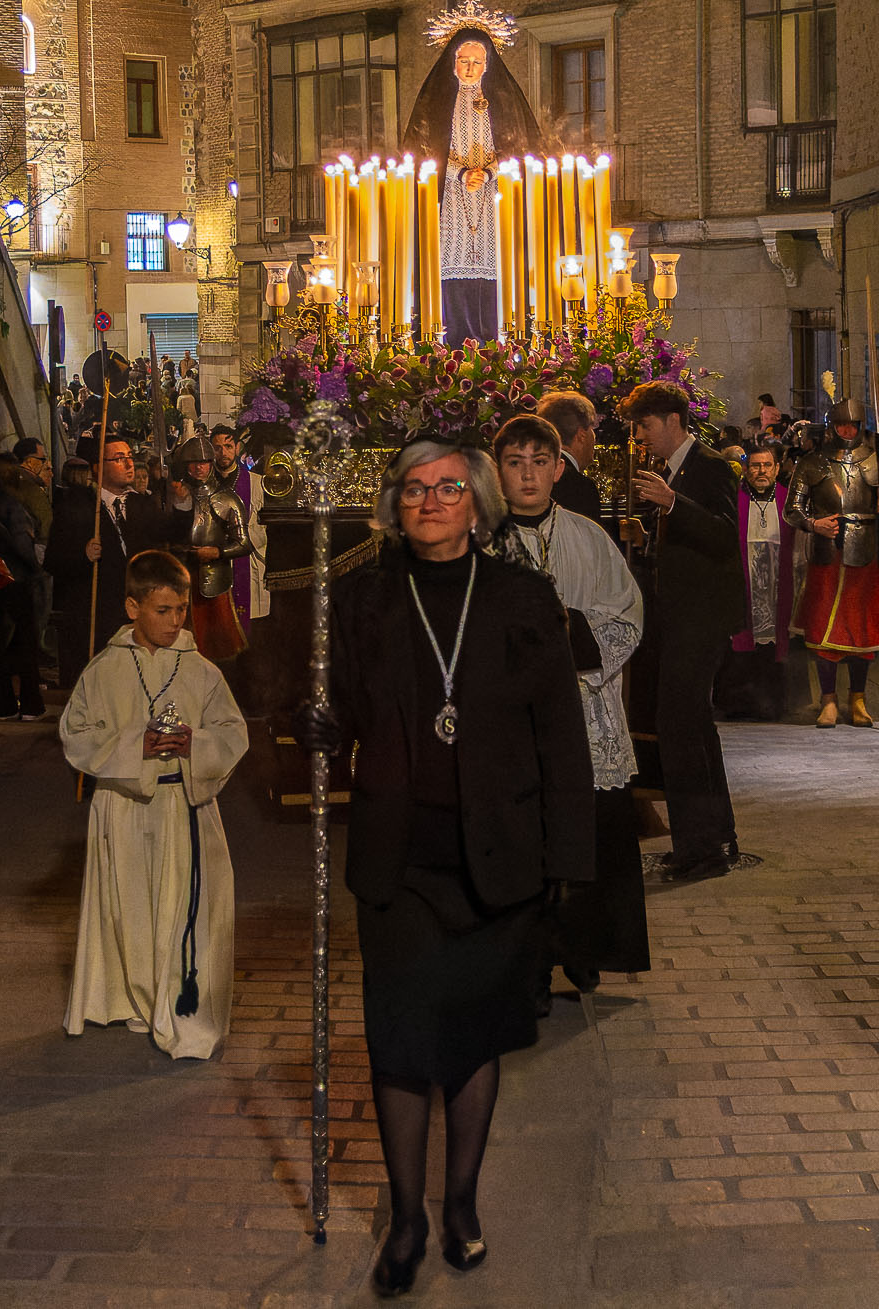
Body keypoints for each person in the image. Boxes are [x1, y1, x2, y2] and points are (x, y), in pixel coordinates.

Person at [295, 434, 591, 1295]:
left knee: (468, 1040)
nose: (431, 501)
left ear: (479, 503)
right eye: (416, 488)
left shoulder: (523, 597)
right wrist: (318, 728)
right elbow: (333, 702)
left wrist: (566, 857)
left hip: (496, 860)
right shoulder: (357, 598)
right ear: (395, 504)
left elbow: (559, 736)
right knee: (397, 1043)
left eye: (450, 487)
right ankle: (407, 1216)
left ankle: (460, 1201)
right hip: (400, 859)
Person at [60, 550, 249, 1058]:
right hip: (121, 806)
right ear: (132, 607)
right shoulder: (102, 670)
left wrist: (195, 745)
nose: (173, 621)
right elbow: (76, 734)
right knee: (130, 911)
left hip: (182, 805)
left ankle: (179, 1007)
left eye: (180, 610)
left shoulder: (203, 672)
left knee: (183, 914)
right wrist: (133, 746)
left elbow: (232, 733)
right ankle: (129, 997)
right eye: (162, 610)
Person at [491, 415, 649, 1002]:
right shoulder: (477, 541)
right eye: (515, 462)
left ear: (559, 469)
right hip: (510, 723)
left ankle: (584, 952)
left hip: (585, 715)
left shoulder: (590, 537)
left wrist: (566, 636)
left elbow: (628, 613)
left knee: (586, 839)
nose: (528, 475)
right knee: (520, 844)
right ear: (497, 469)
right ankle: (523, 964)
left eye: (539, 462)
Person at [624, 381, 751, 881]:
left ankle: (700, 848)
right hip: (678, 619)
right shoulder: (670, 470)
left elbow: (723, 533)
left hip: (701, 622)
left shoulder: (711, 466)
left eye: (646, 426)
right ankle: (714, 837)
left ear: (673, 421)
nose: (641, 436)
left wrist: (673, 504)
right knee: (692, 729)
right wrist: (650, 533)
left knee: (680, 730)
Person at [401, 12, 542, 345]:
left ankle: (499, 342)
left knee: (499, 263)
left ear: (487, 65)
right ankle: (452, 342)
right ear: (452, 63)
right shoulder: (437, 102)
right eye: (463, 60)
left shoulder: (503, 103)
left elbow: (520, 148)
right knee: (450, 262)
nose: (469, 68)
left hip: (495, 198)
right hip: (449, 198)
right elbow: (425, 152)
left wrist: (491, 172)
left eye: (477, 62)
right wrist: (461, 172)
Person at [786, 396, 879, 728]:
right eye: (841, 425)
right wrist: (813, 524)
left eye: (853, 425)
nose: (847, 430)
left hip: (865, 553)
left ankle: (858, 698)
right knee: (823, 628)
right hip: (827, 553)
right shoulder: (811, 463)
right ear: (831, 428)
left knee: (863, 630)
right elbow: (792, 509)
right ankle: (829, 699)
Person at [49, 433, 160, 693]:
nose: (129, 464)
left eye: (130, 457)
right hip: (94, 615)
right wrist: (82, 554)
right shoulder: (76, 507)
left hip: (135, 612)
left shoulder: (142, 505)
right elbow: (53, 560)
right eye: (119, 459)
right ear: (98, 467)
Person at [716, 444, 796, 722]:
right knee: (741, 645)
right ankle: (738, 703)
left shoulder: (789, 502)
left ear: (776, 469)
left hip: (777, 586)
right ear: (746, 469)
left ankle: (772, 705)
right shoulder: (732, 500)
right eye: (755, 466)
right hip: (744, 585)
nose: (761, 471)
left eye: (767, 466)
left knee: (772, 648)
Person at [166, 435, 255, 661]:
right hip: (178, 577)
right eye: (193, 462)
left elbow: (243, 543)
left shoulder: (227, 499)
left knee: (216, 649)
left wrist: (217, 552)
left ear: (211, 463)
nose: (198, 467)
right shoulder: (173, 494)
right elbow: (164, 534)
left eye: (204, 461)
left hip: (211, 579)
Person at [0, 453, 48, 721]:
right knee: (26, 642)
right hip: (17, 579)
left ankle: (3, 704)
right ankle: (31, 705)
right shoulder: (12, 505)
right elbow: (22, 542)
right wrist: (35, 566)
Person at [538, 391, 606, 527]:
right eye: (592, 429)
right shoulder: (580, 487)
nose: (595, 438)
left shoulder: (536, 473)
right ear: (581, 435)